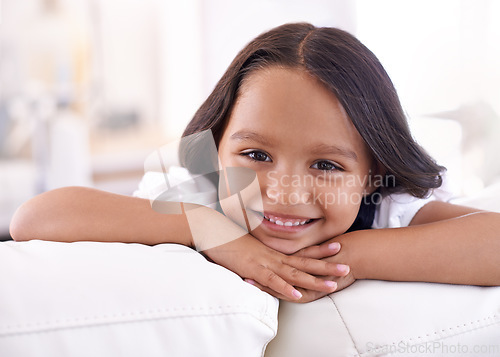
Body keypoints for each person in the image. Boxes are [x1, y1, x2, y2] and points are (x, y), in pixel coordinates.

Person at [10, 23, 500, 303]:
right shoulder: (199, 193)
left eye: (327, 165)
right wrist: (210, 231)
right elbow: (35, 218)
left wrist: (353, 255)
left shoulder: (385, 208)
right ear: (215, 147)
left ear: (371, 173)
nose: (285, 191)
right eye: (256, 155)